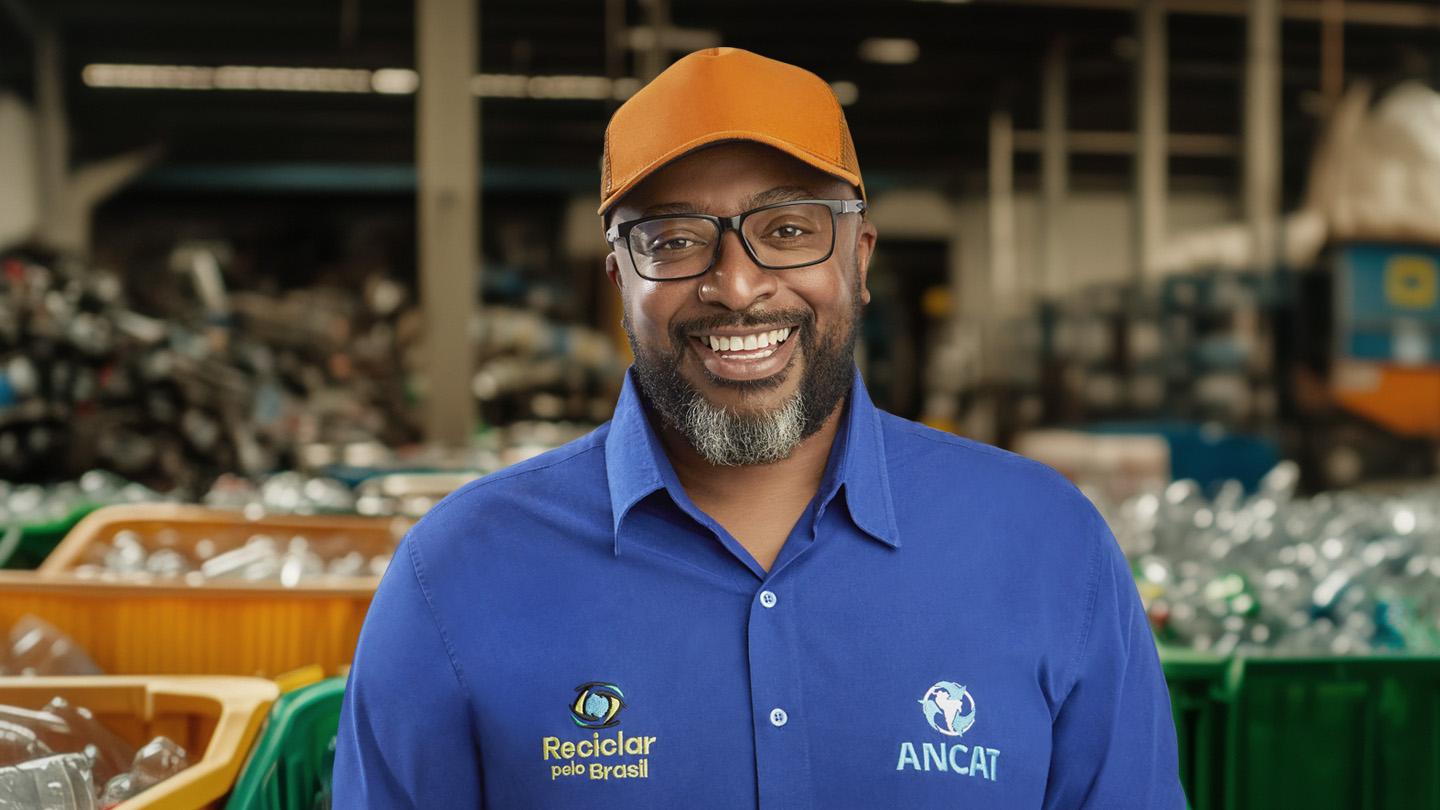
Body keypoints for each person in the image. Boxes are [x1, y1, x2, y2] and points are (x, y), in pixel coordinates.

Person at [334, 47, 1185, 809]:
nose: (736, 286)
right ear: (617, 279)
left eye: (787, 230)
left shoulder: (1046, 548)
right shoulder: (456, 578)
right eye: (673, 239)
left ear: (859, 258)